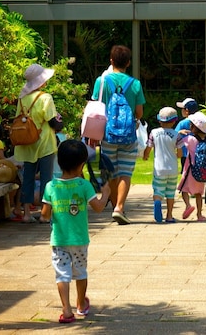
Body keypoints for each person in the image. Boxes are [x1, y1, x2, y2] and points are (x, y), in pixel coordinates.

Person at [40, 139, 111, 324]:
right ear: (81, 165)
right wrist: (106, 194)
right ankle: (81, 304)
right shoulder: (84, 186)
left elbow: (45, 215)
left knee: (61, 274)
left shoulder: (51, 186)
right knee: (80, 272)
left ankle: (66, 309)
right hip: (79, 239)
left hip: (59, 240)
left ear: (59, 162)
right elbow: (97, 208)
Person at [90, 45, 145, 225]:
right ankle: (119, 207)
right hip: (129, 135)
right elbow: (139, 113)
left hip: (107, 135)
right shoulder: (135, 84)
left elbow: (95, 108)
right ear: (128, 63)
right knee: (125, 174)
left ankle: (114, 205)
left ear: (111, 60)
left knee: (110, 173)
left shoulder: (102, 81)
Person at [15, 63, 61, 222]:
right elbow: (52, 121)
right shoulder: (45, 98)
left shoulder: (22, 99)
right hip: (45, 144)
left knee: (27, 178)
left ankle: (26, 213)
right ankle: (44, 213)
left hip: (27, 144)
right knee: (46, 179)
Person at [142, 107, 181, 223]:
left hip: (159, 169)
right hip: (172, 168)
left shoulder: (154, 133)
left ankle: (158, 201)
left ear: (159, 120)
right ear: (174, 121)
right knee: (170, 193)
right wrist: (176, 155)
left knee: (158, 190)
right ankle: (169, 216)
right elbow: (180, 153)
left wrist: (145, 156)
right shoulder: (176, 135)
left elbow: (148, 148)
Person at [178, 111, 206, 222]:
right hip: (201, 171)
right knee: (198, 194)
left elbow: (178, 143)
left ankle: (187, 205)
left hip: (189, 170)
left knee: (184, 189)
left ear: (194, 127)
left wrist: (180, 133)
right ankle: (199, 214)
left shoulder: (190, 139)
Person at [174, 97, 200, 215]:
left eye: (183, 109)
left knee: (184, 178)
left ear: (187, 110)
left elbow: (174, 136)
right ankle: (199, 209)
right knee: (196, 177)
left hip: (186, 155)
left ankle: (188, 203)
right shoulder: (200, 121)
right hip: (198, 155)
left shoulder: (183, 123)